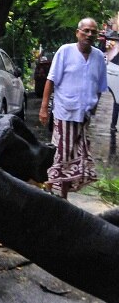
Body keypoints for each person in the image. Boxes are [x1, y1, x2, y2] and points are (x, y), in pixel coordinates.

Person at [39, 18, 107, 199]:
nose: (89, 34)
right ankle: (56, 191)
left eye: (93, 31)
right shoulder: (65, 52)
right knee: (63, 153)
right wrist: (44, 108)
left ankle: (62, 191)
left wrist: (93, 108)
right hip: (64, 113)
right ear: (78, 33)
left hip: (83, 116)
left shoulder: (99, 57)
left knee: (80, 155)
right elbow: (50, 80)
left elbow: (100, 87)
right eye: (86, 30)